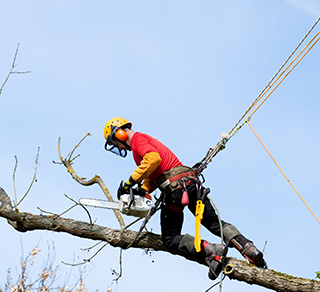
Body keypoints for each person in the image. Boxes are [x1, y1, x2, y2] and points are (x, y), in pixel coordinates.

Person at [103, 117, 266, 280]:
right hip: (190, 185)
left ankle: (210, 250)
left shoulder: (138, 139)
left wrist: (130, 183)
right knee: (213, 222)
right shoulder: (144, 140)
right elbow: (154, 173)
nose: (118, 146)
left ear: (120, 133)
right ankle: (248, 248)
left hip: (175, 190)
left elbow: (153, 159)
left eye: (114, 142)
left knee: (170, 238)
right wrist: (142, 190)